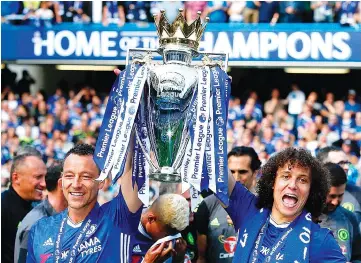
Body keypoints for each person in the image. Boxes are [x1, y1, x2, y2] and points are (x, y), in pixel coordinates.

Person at [219, 147, 345, 262]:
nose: (292, 185)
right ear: (273, 182)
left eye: (302, 180)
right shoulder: (248, 209)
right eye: (286, 176)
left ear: (311, 190)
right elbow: (213, 168)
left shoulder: (321, 240)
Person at [26, 143, 143, 262]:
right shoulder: (40, 229)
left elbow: (135, 166)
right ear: (61, 182)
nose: (76, 184)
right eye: (69, 176)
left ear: (101, 181)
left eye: (86, 177)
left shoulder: (118, 218)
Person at [195, 146, 261, 263]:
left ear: (255, 173)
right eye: (231, 172)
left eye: (242, 172)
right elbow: (201, 257)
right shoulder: (208, 204)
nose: (236, 178)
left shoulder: (266, 206)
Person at [14, 163, 67, 263]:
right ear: (61, 184)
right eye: (71, 177)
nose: (77, 184)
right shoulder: (35, 224)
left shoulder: (65, 216)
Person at [1, 152, 47, 263]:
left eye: (45, 177)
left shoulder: (38, 208)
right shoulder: (3, 207)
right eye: (38, 177)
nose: (44, 183)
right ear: (16, 178)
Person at [319, 163, 361, 262]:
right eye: (332, 196)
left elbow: (358, 256)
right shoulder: (304, 217)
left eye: (340, 195)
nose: (335, 201)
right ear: (319, 190)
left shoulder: (349, 218)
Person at [131, 193, 189, 263]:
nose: (169, 242)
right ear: (151, 219)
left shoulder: (176, 243)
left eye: (175, 235)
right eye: (166, 235)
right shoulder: (122, 231)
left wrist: (179, 259)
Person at [317, 146, 361, 227]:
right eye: (341, 163)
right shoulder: (307, 197)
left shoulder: (358, 193)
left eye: (347, 163)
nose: (347, 167)